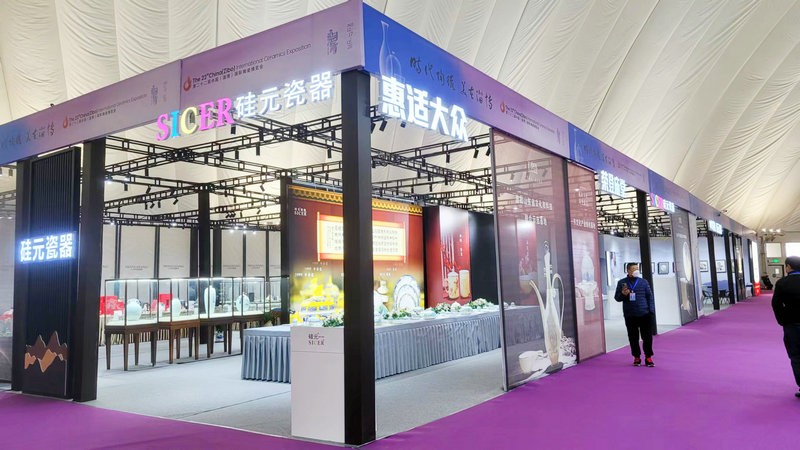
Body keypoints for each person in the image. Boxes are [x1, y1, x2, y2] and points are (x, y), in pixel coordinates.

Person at [614, 263, 656, 367]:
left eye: (637, 268)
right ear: (628, 270)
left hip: (644, 314)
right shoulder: (622, 282)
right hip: (630, 315)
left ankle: (648, 357)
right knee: (633, 337)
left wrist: (651, 311)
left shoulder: (644, 282)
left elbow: (650, 297)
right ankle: (636, 357)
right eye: (634, 269)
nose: (636, 270)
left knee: (647, 337)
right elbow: (617, 298)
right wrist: (623, 294)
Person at [770, 256, 800, 398]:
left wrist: (782, 320)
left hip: (792, 324)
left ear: (788, 267)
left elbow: (776, 304)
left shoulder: (782, 283)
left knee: (796, 356)